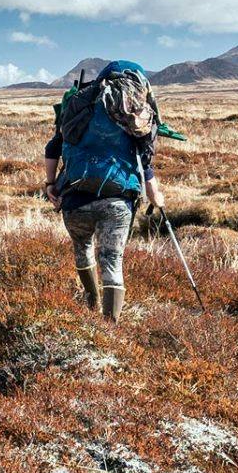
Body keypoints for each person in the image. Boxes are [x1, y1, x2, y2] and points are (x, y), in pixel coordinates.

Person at [42, 60, 164, 322]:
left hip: (74, 197)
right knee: (112, 260)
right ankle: (109, 328)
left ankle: (90, 302)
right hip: (118, 199)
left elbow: (53, 147)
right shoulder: (134, 108)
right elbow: (145, 158)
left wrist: (50, 184)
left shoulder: (77, 103)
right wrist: (154, 195)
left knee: (82, 246)